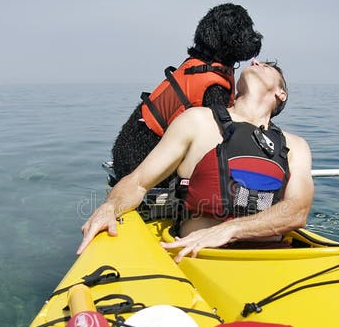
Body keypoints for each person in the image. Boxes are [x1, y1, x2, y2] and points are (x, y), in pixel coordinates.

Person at [77, 60, 313, 262]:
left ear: (282, 94)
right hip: (200, 258)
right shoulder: (197, 121)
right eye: (255, 61)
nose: (255, 62)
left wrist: (230, 229)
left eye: (267, 66)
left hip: (274, 259)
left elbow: (297, 211)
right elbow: (138, 182)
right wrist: (109, 206)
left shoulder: (296, 147)